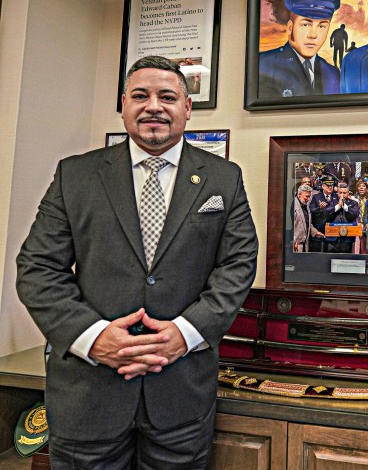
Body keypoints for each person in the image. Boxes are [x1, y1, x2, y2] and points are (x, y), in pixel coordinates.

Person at [16, 56, 258, 469]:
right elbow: (37, 268)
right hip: (88, 396)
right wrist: (93, 337)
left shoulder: (223, 178)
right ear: (124, 103)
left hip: (181, 394)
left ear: (187, 108)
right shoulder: (75, 175)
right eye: (141, 96)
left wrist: (186, 332)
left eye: (167, 96)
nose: (154, 107)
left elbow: (237, 265)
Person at [258, 0, 341, 98]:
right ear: (290, 28)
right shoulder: (263, 64)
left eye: (321, 26)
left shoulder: (333, 73)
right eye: (305, 24)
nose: (313, 35)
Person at [324, 182, 360, 253]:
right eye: (340, 193)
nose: (342, 195)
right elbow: (326, 213)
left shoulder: (353, 203)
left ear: (348, 193)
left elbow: (355, 213)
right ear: (337, 192)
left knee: (345, 259)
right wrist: (338, 206)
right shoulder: (331, 202)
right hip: (332, 238)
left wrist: (345, 207)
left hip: (347, 238)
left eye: (344, 193)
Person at [309, 176, 338, 252]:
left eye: (331, 185)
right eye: (328, 185)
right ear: (323, 186)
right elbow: (312, 211)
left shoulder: (336, 197)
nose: (330, 187)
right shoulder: (316, 197)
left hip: (333, 232)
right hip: (320, 231)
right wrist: (320, 208)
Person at [293, 184, 323, 252]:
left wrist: (315, 232)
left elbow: (307, 223)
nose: (308, 199)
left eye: (309, 196)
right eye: (307, 196)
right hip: (295, 245)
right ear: (299, 194)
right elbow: (289, 226)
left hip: (304, 245)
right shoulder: (293, 206)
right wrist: (293, 241)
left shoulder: (305, 205)